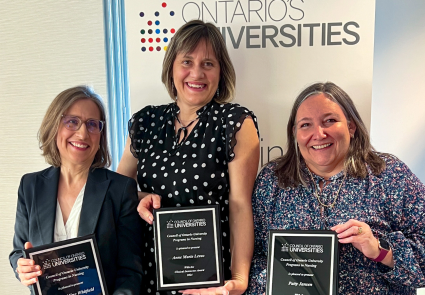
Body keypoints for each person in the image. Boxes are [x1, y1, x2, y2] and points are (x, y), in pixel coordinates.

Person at [117, 20, 260, 295]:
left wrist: (240, 279)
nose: (197, 73)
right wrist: (139, 197)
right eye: (187, 61)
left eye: (208, 63)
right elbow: (118, 190)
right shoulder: (145, 121)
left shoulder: (235, 122)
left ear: (220, 72)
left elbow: (240, 205)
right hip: (148, 273)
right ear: (171, 67)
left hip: (208, 280)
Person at [247, 82, 425, 294]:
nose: (319, 134)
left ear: (351, 126)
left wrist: (378, 249)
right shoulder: (272, 180)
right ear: (295, 133)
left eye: (329, 121)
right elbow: (254, 258)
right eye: (306, 125)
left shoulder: (390, 175)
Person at [9, 86, 143, 295]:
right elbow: (18, 252)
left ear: (100, 135)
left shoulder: (120, 189)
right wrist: (22, 268)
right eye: (72, 122)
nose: (82, 133)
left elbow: (130, 272)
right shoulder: (30, 186)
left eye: (92, 124)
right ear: (54, 126)